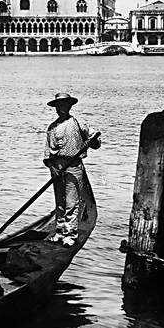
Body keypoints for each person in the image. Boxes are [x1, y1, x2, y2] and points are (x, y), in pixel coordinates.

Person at [43, 92, 101, 247]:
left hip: (74, 165)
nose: (61, 109)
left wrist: (93, 142)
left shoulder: (77, 123)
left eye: (64, 105)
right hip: (57, 167)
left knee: (72, 201)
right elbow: (47, 153)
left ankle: (70, 234)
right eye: (58, 106)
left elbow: (96, 141)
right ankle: (60, 231)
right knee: (60, 202)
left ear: (69, 106)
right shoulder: (52, 128)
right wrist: (52, 167)